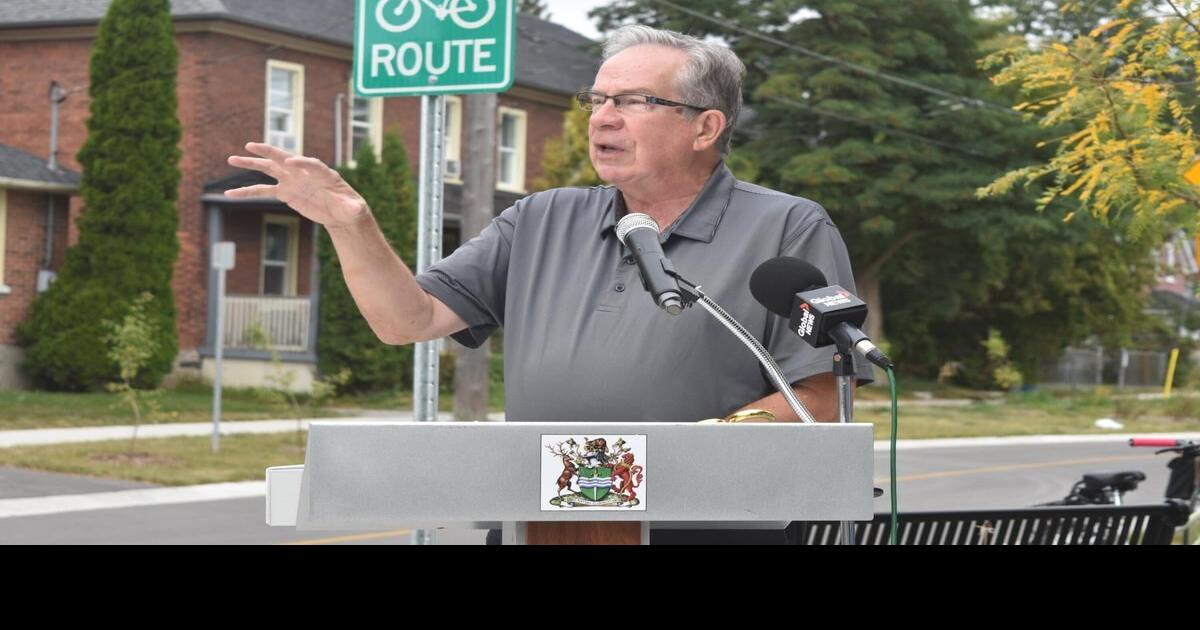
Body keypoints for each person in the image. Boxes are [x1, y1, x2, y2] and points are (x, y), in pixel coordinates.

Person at [227, 25, 872, 544]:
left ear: (706, 127)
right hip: (538, 522)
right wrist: (352, 225)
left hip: (711, 529)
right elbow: (408, 320)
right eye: (597, 100)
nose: (603, 118)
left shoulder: (787, 226)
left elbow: (818, 394)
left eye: (635, 101)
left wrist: (682, 458)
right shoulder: (540, 218)